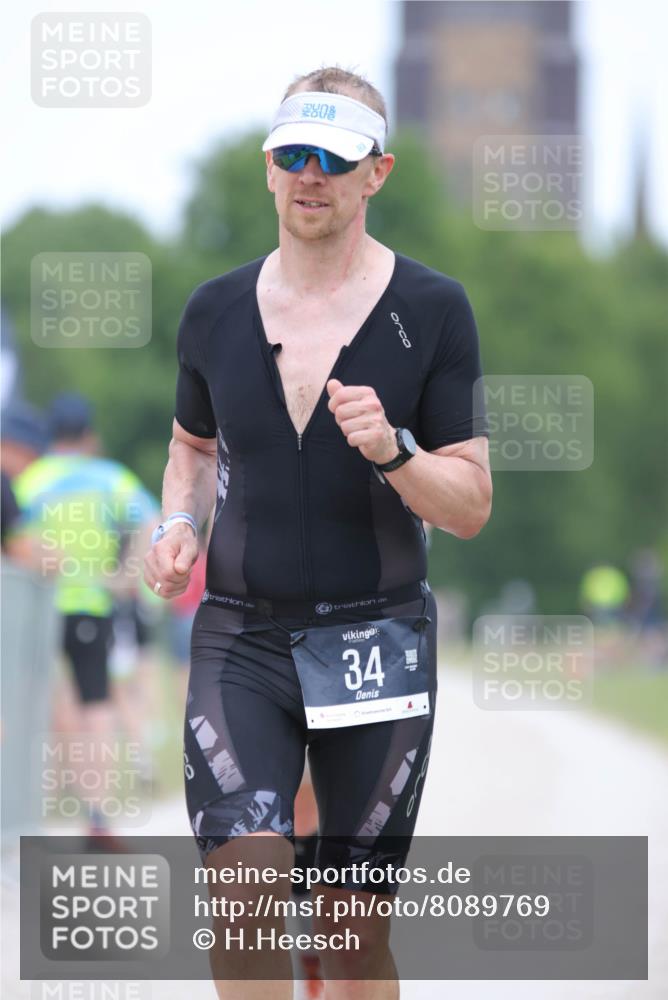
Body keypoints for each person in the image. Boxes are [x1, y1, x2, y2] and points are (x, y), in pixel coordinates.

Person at [144, 67, 492, 1000]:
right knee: (244, 892)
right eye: (293, 155)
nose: (310, 176)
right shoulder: (214, 311)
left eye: (334, 160)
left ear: (377, 172)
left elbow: (469, 504)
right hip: (241, 637)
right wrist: (179, 521)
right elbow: (190, 447)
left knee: (348, 938)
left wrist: (395, 451)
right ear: (268, 167)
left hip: (377, 641)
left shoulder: (433, 309)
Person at [12, 392, 159, 839]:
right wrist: (127, 574)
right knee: (96, 704)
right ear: (89, 435)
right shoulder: (109, 478)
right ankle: (96, 812)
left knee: (52, 704)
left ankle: (49, 799)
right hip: (92, 606)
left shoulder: (31, 480)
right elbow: (152, 521)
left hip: (38, 607)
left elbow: (12, 538)